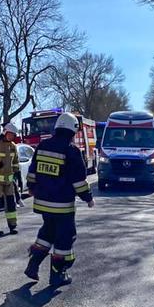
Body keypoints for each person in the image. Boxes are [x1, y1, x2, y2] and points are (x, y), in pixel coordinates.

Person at [24, 113, 95, 286]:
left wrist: (32, 188)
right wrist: (88, 198)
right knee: (65, 237)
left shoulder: (42, 146)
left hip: (43, 203)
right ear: (72, 131)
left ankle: (33, 264)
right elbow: (78, 180)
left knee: (48, 232)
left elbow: (32, 172)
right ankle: (58, 274)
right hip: (62, 206)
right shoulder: (71, 151)